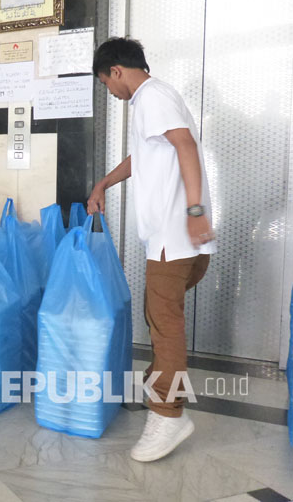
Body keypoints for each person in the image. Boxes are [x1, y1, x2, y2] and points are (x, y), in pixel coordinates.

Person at [88, 38, 216, 462]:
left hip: (174, 238)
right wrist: (104, 182)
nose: (110, 91)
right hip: (178, 239)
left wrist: (195, 210)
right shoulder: (154, 99)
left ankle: (168, 414)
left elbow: (185, 146)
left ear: (117, 72)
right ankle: (160, 383)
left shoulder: (151, 97)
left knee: (165, 327)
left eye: (106, 82)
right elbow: (143, 157)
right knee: (159, 316)